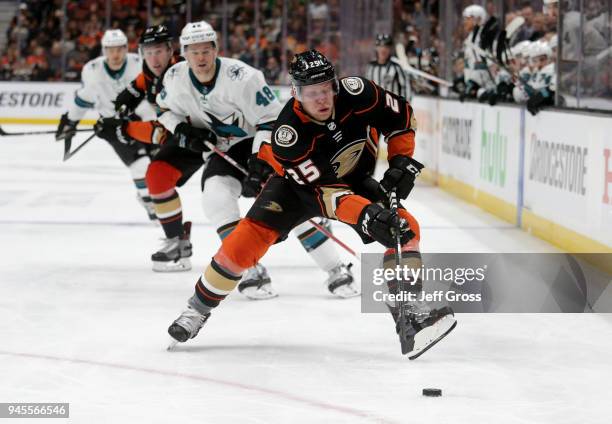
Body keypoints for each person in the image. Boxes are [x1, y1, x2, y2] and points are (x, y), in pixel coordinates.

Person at [167, 50, 457, 358]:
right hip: (295, 191)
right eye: (310, 93)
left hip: (353, 181)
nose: (321, 99)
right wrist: (366, 215)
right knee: (240, 247)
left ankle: (408, 310)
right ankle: (196, 311)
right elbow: (324, 195)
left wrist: (401, 160)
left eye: (325, 89)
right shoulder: (289, 135)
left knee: (404, 228)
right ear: (296, 93)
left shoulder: (359, 92)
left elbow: (401, 117)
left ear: (334, 84)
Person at [141, 22, 356, 298]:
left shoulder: (242, 76)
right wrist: (181, 129)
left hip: (264, 144)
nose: (201, 58)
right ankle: (249, 268)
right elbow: (163, 109)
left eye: (206, 50)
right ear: (183, 53)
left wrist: (261, 159)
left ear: (216, 49)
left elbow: (272, 120)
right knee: (215, 197)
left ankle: (336, 268)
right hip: (225, 151)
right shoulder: (174, 77)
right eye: (194, 52)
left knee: (290, 204)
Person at [55, 29, 156, 221]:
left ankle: (152, 197)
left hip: (142, 122)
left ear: (127, 49)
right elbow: (83, 99)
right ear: (104, 51)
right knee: (140, 165)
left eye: (119, 49)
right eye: (110, 50)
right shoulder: (92, 71)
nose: (115, 54)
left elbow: (151, 95)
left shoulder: (139, 64)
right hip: (112, 128)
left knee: (157, 163)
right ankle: (149, 203)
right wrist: (70, 122)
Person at [365, 34, 411, 100]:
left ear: (390, 49)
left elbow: (406, 87)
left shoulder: (396, 67)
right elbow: (367, 87)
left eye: (386, 47)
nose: (383, 49)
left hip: (392, 107)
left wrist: (404, 105)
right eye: (380, 46)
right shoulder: (371, 67)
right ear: (376, 47)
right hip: (374, 106)